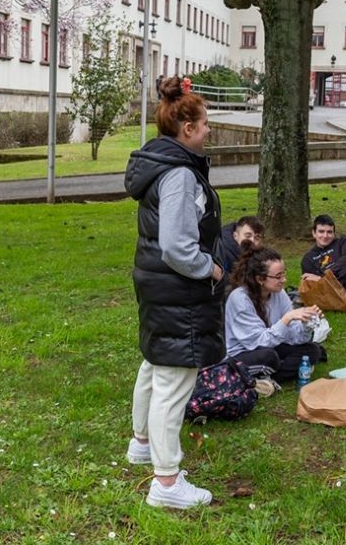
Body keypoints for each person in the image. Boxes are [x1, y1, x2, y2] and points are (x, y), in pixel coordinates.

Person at [123, 76, 224, 510]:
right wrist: (212, 269)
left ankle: (142, 444)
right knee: (174, 378)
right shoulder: (180, 174)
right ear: (187, 129)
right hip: (178, 286)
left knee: (155, 362)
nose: (207, 131)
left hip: (155, 281)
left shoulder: (159, 163)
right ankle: (166, 485)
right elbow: (178, 246)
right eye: (204, 124)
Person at [225, 246, 327, 383]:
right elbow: (259, 343)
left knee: (313, 350)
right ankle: (266, 376)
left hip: (271, 345)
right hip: (244, 353)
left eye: (284, 273)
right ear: (260, 279)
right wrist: (286, 319)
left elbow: (293, 337)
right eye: (278, 276)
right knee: (269, 357)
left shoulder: (279, 293)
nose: (284, 280)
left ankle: (266, 378)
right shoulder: (240, 299)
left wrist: (306, 323)